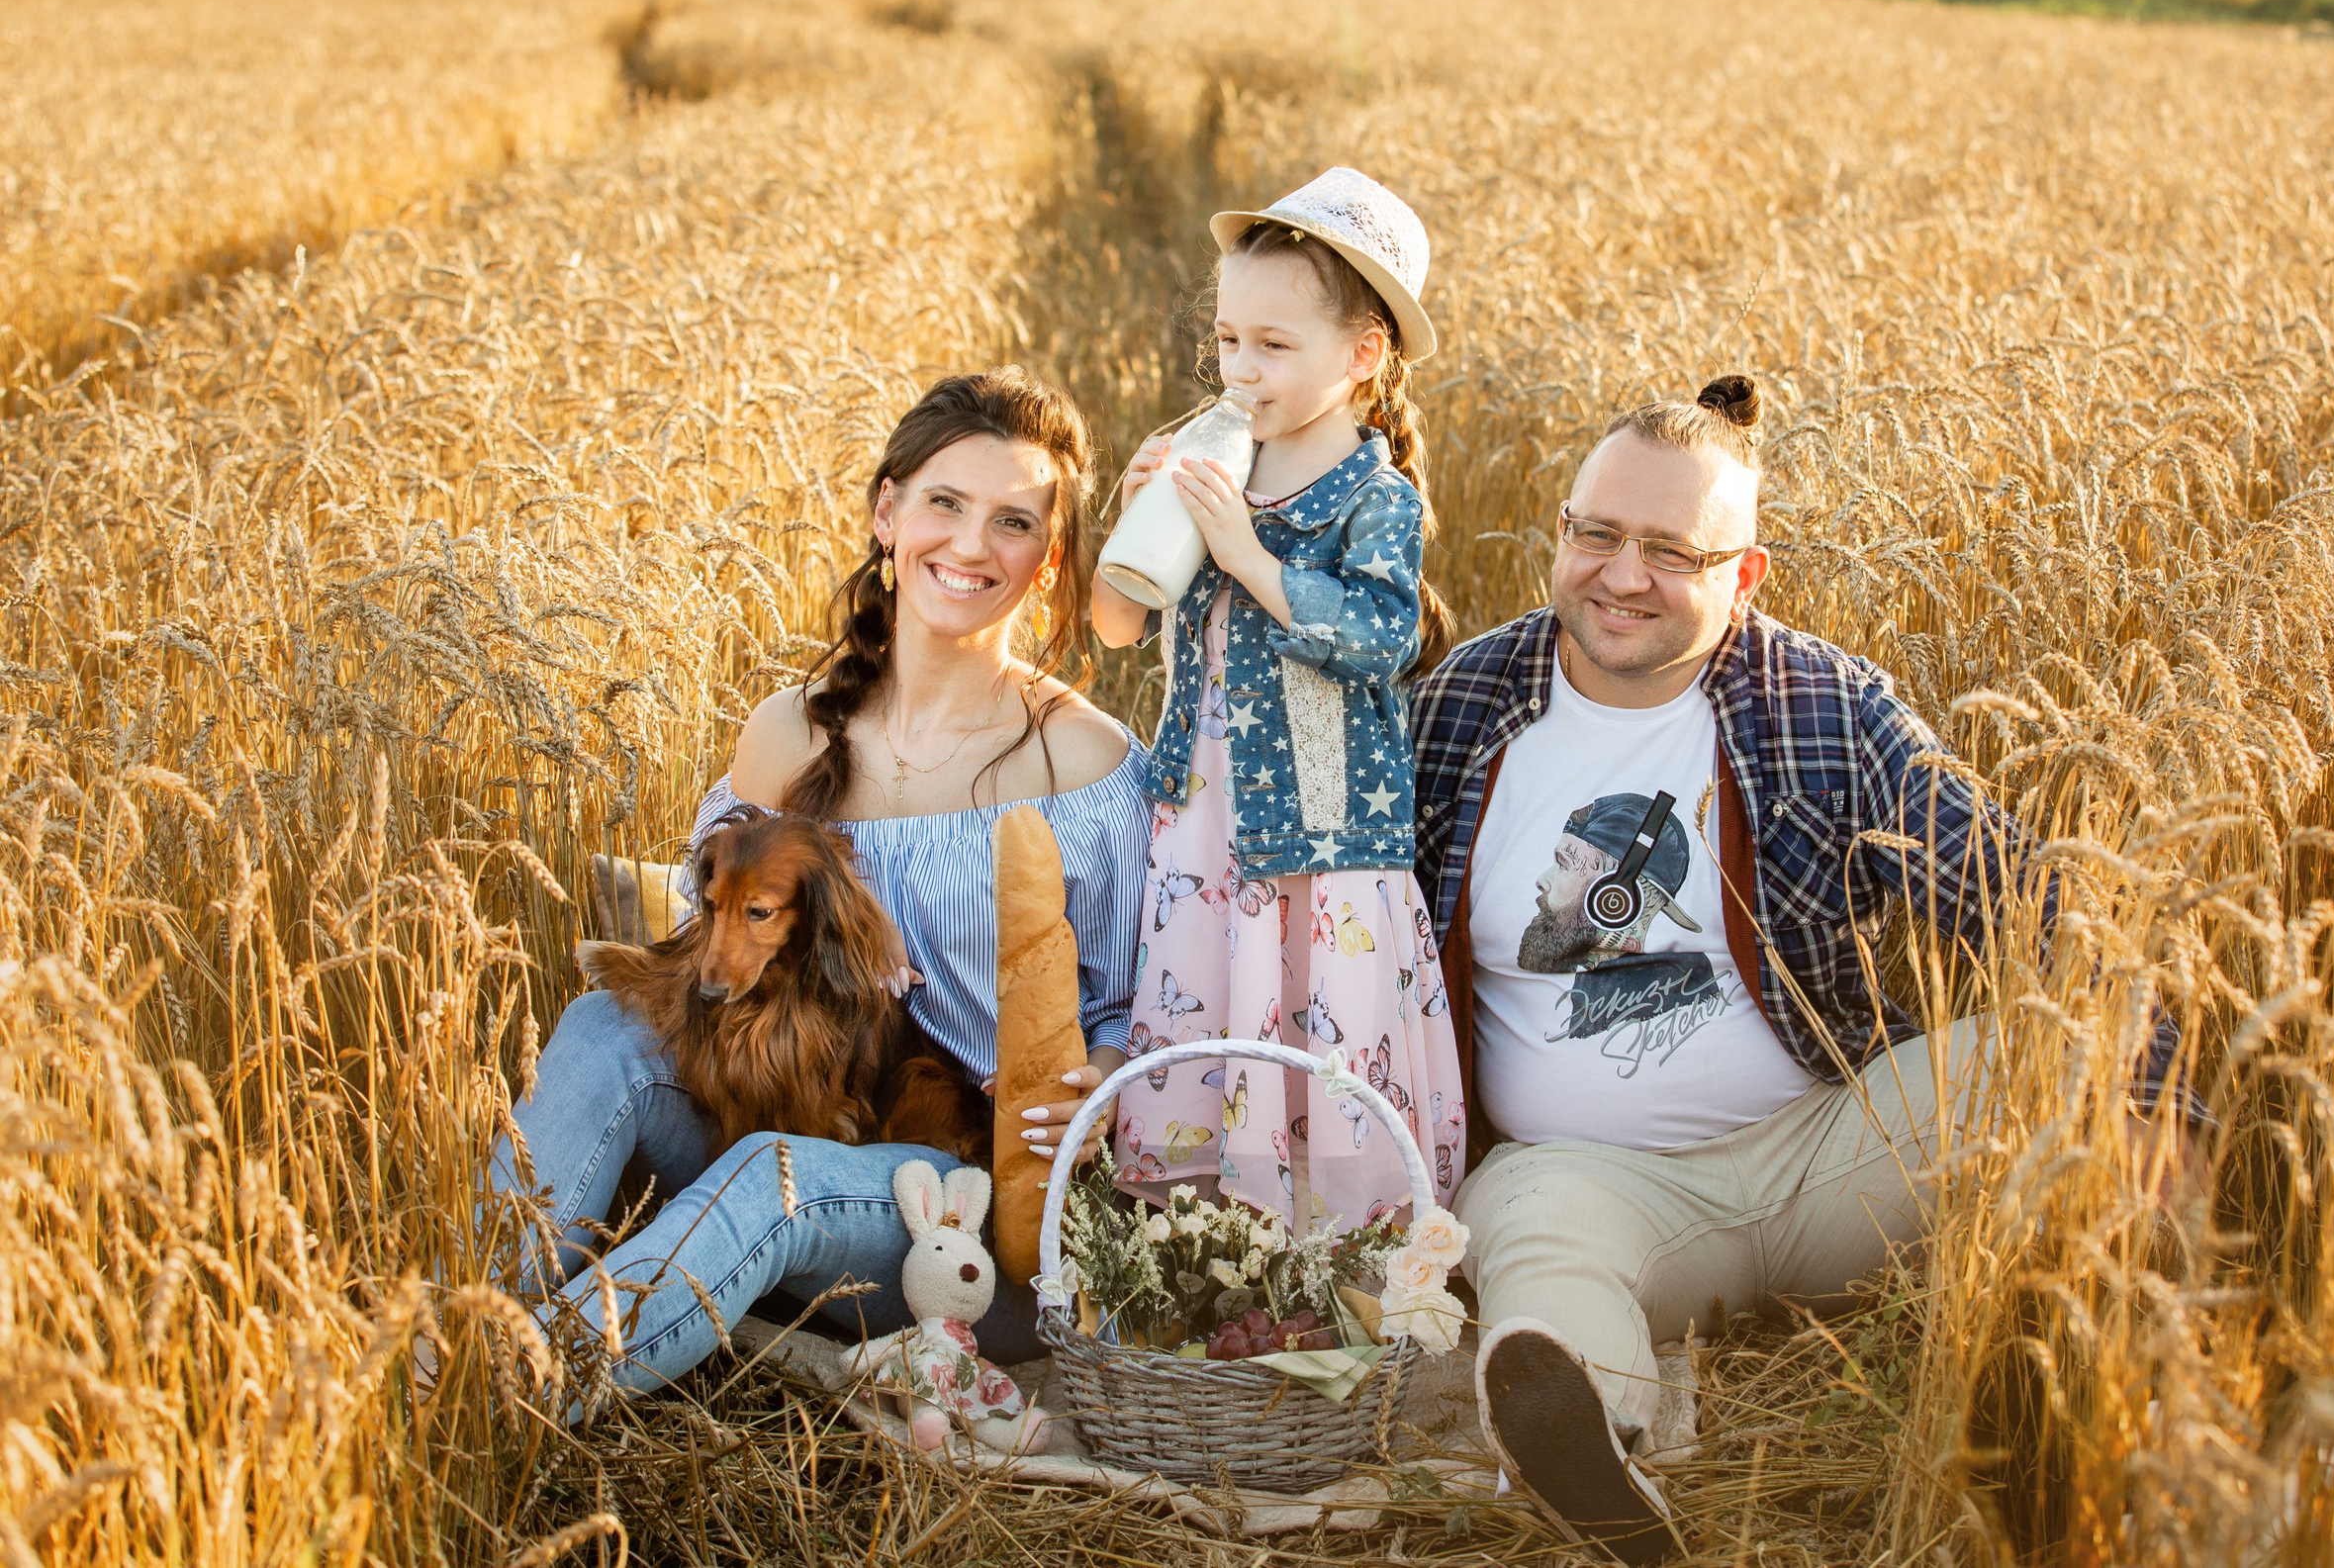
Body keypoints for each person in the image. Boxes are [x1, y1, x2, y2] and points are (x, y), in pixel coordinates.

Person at [1409, 378, 2063, 1562]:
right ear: (1559, 531)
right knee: (1532, 1246)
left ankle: (2052, 1400)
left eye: (1670, 550)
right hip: (1591, 1181)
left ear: (1742, 575)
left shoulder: (1819, 703)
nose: (1620, 575)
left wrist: (2155, 1097)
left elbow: (2028, 897)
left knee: (2050, 1054)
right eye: (1597, 533)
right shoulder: (1463, 707)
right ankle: (1593, 1448)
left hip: (1835, 1158)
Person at [488, 368, 1149, 1404]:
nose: (971, 545)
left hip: (961, 1202)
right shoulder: (788, 734)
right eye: (944, 503)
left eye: (1012, 521)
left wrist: (1094, 1092)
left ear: (1049, 557)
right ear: (888, 512)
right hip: (799, 1103)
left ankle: (500, 1396)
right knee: (601, 1028)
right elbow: (713, 933)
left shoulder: (1085, 763)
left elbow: (1142, 1000)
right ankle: (457, 1329)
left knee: (773, 1180)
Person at [1092, 166, 1466, 1230]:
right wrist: (1134, 520)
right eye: (1225, 340)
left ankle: (1331, 1243)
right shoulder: (1212, 462)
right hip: (1205, 813)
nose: (1238, 369)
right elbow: (1118, 630)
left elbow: (1381, 636)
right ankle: (1206, 1239)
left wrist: (1248, 555)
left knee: (1313, 1018)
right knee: (1211, 996)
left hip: (1319, 828)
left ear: (1362, 356)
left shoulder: (1374, 495)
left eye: (1273, 345)